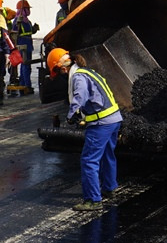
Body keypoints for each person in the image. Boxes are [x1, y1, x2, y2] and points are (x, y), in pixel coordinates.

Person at [47, 48, 123, 211]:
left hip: (100, 123)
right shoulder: (89, 72)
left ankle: (93, 200)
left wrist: (72, 114)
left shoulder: (78, 77)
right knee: (107, 155)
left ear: (63, 68)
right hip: (114, 119)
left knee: (89, 160)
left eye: (59, 72)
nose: (62, 75)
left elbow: (80, 96)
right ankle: (110, 187)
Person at [9, 0, 39, 95]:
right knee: (25, 66)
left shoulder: (27, 21)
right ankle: (27, 86)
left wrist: (34, 29)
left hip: (28, 46)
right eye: (27, 9)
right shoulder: (17, 21)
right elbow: (14, 34)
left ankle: (23, 84)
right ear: (23, 10)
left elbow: (29, 32)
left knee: (26, 66)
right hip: (22, 46)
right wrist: (18, 24)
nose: (29, 11)